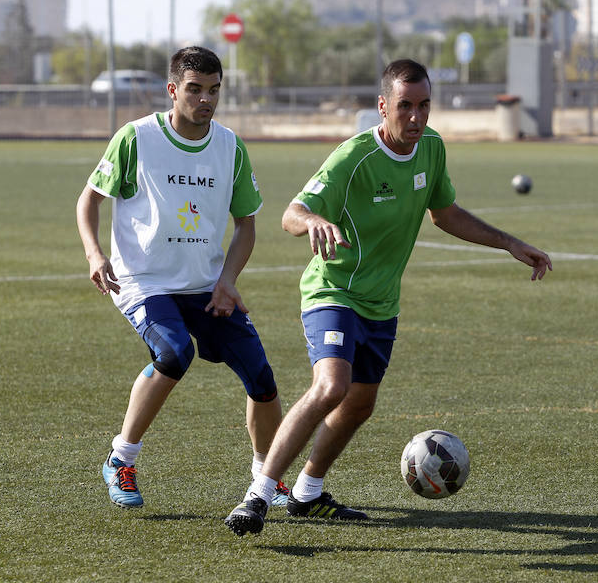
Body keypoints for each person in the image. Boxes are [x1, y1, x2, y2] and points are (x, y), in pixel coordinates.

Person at [225, 58, 552, 535]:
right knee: (331, 387)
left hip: (381, 302)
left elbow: (444, 213)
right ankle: (257, 497)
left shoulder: (431, 148)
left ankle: (307, 494)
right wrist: (314, 220)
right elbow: (291, 213)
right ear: (383, 107)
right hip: (333, 291)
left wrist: (508, 242)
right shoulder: (353, 157)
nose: (416, 118)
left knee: (360, 404)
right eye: (405, 106)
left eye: (424, 106)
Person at [76, 46, 288, 509]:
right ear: (173, 90)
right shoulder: (136, 138)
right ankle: (121, 458)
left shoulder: (229, 146)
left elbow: (247, 223)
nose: (205, 99)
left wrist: (228, 279)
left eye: (214, 90)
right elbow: (89, 200)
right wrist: (95, 254)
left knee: (262, 378)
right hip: (144, 280)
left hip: (206, 286)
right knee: (174, 352)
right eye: (194, 90)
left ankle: (265, 478)